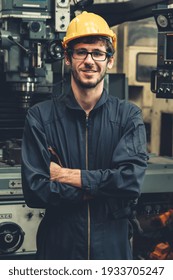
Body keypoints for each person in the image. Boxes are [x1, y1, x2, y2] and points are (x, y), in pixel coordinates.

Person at [21, 11, 148, 260]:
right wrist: (104, 187)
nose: (89, 61)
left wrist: (67, 176)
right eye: (81, 52)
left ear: (109, 61)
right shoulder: (41, 117)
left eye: (98, 53)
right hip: (59, 250)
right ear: (68, 58)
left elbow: (130, 183)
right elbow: (35, 191)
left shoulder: (128, 116)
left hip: (112, 251)